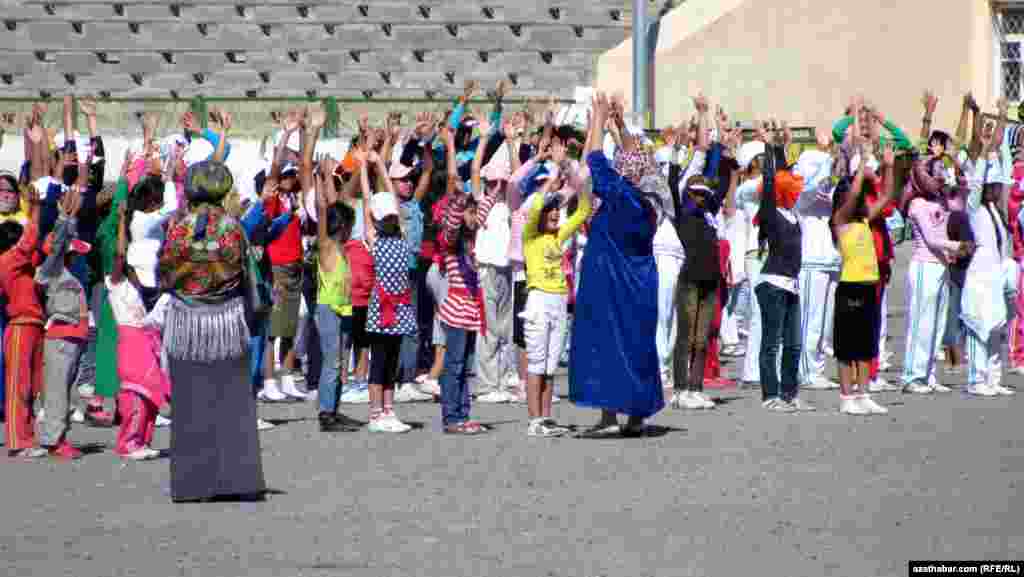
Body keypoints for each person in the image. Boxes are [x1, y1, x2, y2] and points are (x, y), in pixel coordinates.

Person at [159, 115, 266, 502]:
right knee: (230, 403)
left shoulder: (177, 227)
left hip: (186, 324)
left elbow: (164, 275)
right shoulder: (233, 227)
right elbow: (248, 277)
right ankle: (234, 481)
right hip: (226, 322)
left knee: (190, 405)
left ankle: (193, 484)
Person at [570, 91, 663, 436]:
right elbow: (641, 161)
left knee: (604, 342)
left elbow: (594, 158)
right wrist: (620, 127)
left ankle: (609, 417)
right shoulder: (652, 204)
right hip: (641, 281)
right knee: (638, 344)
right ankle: (637, 415)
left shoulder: (622, 196)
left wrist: (597, 117)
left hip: (609, 276)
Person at [521, 138, 591, 436]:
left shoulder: (558, 237)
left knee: (551, 365)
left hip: (559, 302)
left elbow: (583, 210)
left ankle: (547, 418)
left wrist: (572, 167)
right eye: (549, 212)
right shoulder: (530, 238)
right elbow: (537, 204)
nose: (552, 214)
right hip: (538, 301)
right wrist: (552, 180)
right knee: (536, 364)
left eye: (555, 211)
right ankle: (534, 420)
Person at [830, 129, 900, 414]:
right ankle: (847, 397)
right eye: (849, 195)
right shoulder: (840, 219)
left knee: (865, 342)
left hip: (868, 285)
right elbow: (856, 191)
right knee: (847, 346)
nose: (856, 197)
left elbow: (885, 197)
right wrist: (864, 161)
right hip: (850, 286)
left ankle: (863, 393)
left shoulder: (862, 219)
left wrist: (890, 166)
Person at [356, 141, 418, 433]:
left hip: (400, 306)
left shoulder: (401, 235)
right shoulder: (375, 238)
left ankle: (390, 410)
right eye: (388, 216)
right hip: (382, 308)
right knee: (379, 361)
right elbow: (369, 199)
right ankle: (375, 413)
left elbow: (388, 197)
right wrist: (365, 168)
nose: (392, 218)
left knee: (391, 361)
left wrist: (380, 162)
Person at [108, 190, 171, 459]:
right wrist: (122, 219)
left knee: (150, 394)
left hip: (148, 340)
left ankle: (143, 441)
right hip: (131, 341)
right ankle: (128, 443)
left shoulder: (148, 289)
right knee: (135, 393)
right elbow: (120, 256)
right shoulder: (117, 284)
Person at [312, 158, 363, 431]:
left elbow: (336, 202)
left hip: (342, 309)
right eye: (350, 224)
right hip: (328, 309)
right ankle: (325, 414)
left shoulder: (341, 246)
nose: (353, 228)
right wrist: (321, 177)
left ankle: (334, 408)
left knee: (340, 361)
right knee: (332, 362)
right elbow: (324, 209)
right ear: (342, 226)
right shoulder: (327, 245)